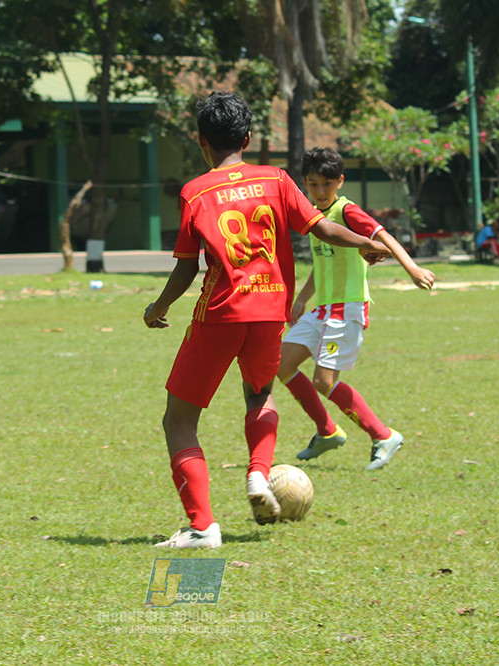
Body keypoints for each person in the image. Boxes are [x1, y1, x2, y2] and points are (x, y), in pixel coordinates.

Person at [143, 92, 391, 549]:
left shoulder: (195, 191)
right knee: (259, 393)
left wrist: (158, 308)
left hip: (219, 313)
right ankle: (259, 474)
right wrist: (366, 242)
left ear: (202, 141)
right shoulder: (276, 179)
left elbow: (185, 266)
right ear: (249, 138)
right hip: (270, 311)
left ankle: (202, 527)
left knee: (179, 421)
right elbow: (321, 227)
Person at [277, 147, 435, 470]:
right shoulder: (315, 218)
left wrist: (413, 269)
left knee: (323, 380)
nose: (320, 192)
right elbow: (324, 265)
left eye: (326, 184)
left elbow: (384, 236)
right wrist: (302, 299)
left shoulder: (347, 211)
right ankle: (327, 431)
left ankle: (383, 435)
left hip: (346, 310)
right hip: (322, 310)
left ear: (340, 182)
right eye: (312, 184)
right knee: (280, 366)